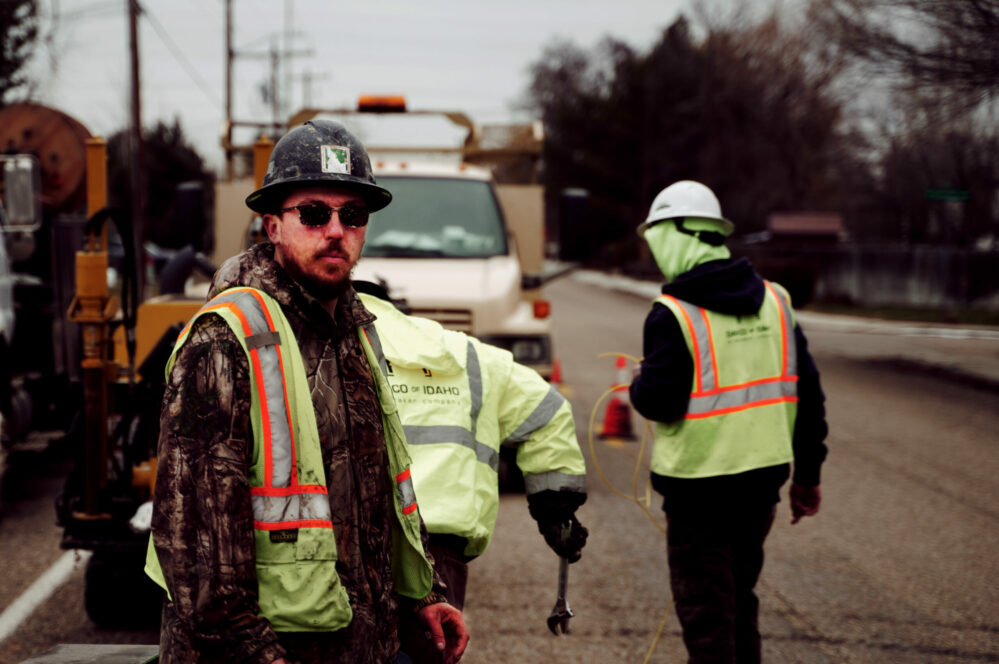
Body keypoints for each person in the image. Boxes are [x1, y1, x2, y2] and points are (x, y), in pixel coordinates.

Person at [145, 119, 469, 664]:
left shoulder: (353, 330)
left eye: (353, 215)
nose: (336, 230)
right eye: (314, 213)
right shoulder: (224, 341)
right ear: (272, 226)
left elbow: (368, 501)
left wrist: (422, 599)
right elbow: (199, 564)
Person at [629, 180, 828, 664]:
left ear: (672, 237)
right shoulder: (776, 301)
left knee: (707, 614)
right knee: (738, 602)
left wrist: (639, 383)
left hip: (698, 489)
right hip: (761, 485)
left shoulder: (672, 313)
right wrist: (807, 477)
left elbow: (660, 402)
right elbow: (809, 396)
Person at [353, 284, 588, 615]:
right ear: (396, 308)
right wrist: (553, 507)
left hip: (341, 541)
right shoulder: (465, 353)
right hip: (438, 548)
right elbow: (546, 410)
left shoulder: (304, 346)